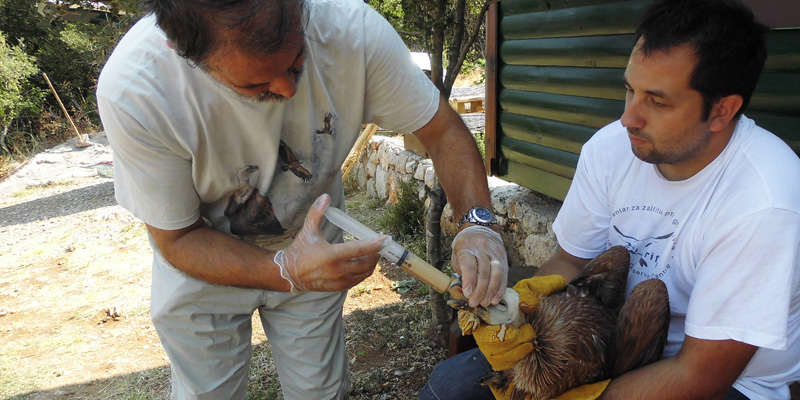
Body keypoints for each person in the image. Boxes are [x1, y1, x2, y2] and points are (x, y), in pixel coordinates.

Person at [96, 0, 510, 398]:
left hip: (317, 249)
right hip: (204, 265)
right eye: (255, 84)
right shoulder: (137, 90)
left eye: (297, 62)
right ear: (181, 50)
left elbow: (442, 129)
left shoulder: (353, 33)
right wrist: (287, 270)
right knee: (207, 393)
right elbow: (179, 238)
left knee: (321, 391)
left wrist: (477, 225)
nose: (288, 90)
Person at [420, 0, 800, 399]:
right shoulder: (611, 149)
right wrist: (519, 310)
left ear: (722, 111)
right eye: (629, 90)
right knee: (447, 389)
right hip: (603, 340)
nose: (628, 118)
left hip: (722, 380)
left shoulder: (765, 202)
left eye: (657, 101)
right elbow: (571, 261)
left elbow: (700, 375)